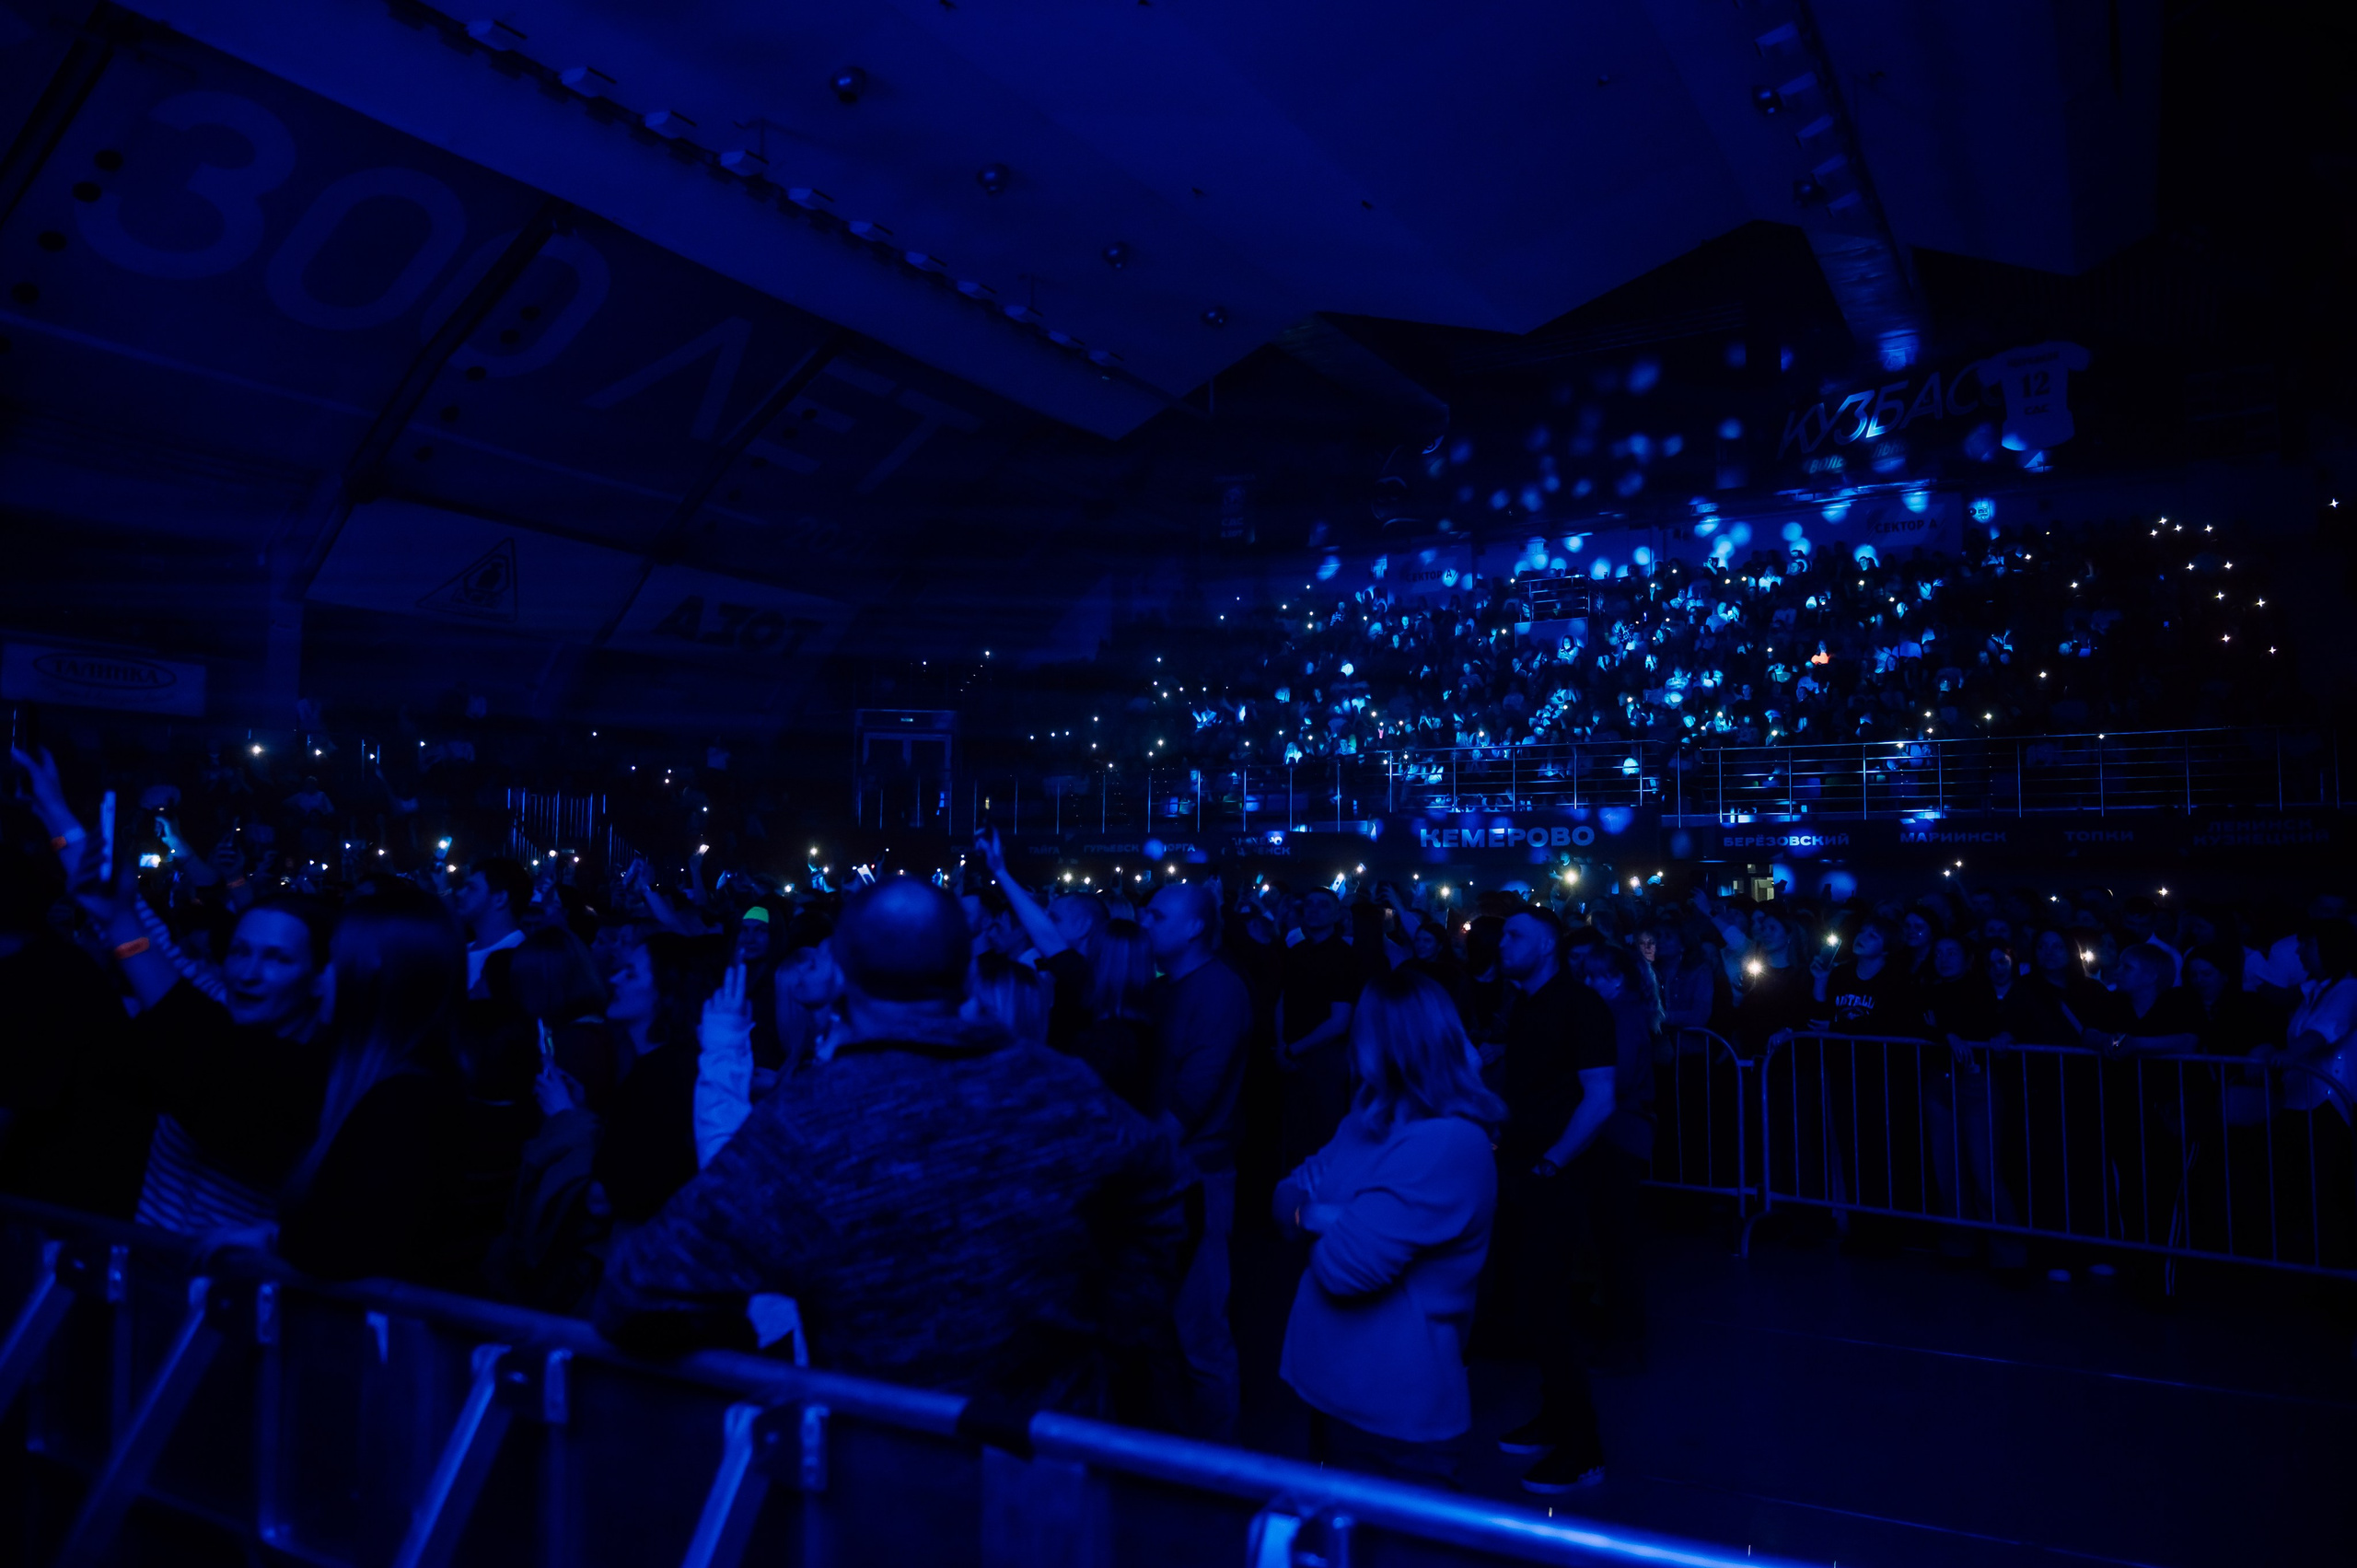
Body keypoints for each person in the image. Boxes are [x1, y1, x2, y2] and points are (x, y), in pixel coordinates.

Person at [595, 878, 1194, 1410]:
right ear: (966, 973)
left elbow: (639, 1289)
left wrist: (757, 1335)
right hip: (1043, 1453)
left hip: (878, 1453)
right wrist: (1115, 1320)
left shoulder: (809, 1119)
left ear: (843, 977)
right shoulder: (1064, 1089)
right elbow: (1170, 1191)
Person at [1274, 970, 1504, 1484]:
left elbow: (1343, 1271)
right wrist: (1320, 1215)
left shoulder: (1447, 1142)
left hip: (1393, 1414)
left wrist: (1316, 1210)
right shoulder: (1364, 1120)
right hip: (1331, 1388)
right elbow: (1284, 1197)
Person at [274, 883, 470, 1283]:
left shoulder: (405, 1105)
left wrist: (273, 1251)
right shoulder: (401, 1087)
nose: (318, 980)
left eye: (333, 961)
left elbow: (347, 1253)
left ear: (374, 973)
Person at [1485, 907, 1617, 1493]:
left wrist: (1551, 1162)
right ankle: (1555, 1417)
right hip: (1523, 1170)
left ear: (1546, 946)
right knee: (1531, 1305)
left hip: (1553, 1177)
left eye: (1515, 936)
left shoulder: (1581, 1006)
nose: (1502, 943)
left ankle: (1583, 1449)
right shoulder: (1526, 1005)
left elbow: (1600, 1098)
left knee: (1548, 1308)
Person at [1140, 880, 1252, 1441]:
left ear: (1194, 927)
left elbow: (1192, 1098)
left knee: (1200, 1330)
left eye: (1157, 915)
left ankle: (1216, 1465)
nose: (1145, 922)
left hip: (1199, 1175)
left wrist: (1127, 1156)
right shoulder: (1168, 988)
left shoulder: (1219, 991)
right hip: (1167, 1169)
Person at [1274, 888, 1358, 1169]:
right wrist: (1282, 1045)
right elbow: (1283, 999)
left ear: (1337, 915)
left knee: (1323, 1138)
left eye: (1322, 905)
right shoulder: (1296, 951)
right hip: (1294, 1053)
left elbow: (1339, 1021)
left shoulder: (1344, 956)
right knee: (1295, 1137)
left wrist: (1289, 1049)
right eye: (1308, 904)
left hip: (1326, 1058)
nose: (1313, 909)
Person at [456, 856, 531, 995]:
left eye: (471, 888)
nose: (460, 893)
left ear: (500, 898)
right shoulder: (459, 950)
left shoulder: (518, 960)